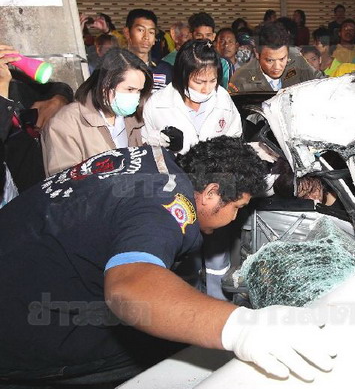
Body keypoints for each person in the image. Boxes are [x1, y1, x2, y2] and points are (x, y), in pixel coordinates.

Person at [0, 136, 337, 384]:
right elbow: (130, 290)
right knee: (165, 359)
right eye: (236, 208)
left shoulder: (155, 159)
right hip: (23, 324)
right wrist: (239, 327)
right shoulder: (165, 211)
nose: (235, 219)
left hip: (22, 257)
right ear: (210, 194)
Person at [41, 48, 152, 176]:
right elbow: (65, 182)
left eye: (139, 91)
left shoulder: (133, 119)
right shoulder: (65, 124)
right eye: (130, 89)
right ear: (106, 85)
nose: (135, 97)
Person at [143, 39, 241, 155]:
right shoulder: (158, 104)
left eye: (213, 81)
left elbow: (235, 136)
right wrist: (157, 140)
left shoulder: (222, 98)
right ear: (182, 75)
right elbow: (143, 143)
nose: (206, 89)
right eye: (199, 82)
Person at [0, 43, 73, 193]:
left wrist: (58, 100)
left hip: (39, 188)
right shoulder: (4, 84)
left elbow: (59, 87)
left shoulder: (15, 85)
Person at [228, 22, 321, 93]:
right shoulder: (241, 79)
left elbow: (320, 81)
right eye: (270, 60)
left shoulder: (295, 57)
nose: (277, 67)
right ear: (257, 53)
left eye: (282, 59)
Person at [189, 12, 234, 88]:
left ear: (213, 36)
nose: (204, 40)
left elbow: (227, 93)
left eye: (208, 35)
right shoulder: (185, 60)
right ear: (191, 36)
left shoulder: (223, 64)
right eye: (199, 35)